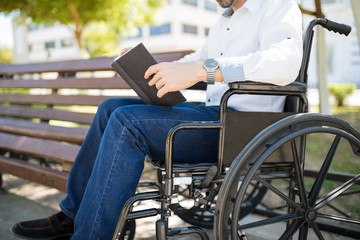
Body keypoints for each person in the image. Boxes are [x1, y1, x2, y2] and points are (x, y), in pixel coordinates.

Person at [11, 0, 303, 239]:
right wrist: (150, 68)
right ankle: (73, 216)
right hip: (214, 115)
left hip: (245, 129)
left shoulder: (277, 6)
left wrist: (205, 70)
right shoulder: (225, 21)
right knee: (110, 108)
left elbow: (283, 63)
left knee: (127, 121)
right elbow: (194, 62)